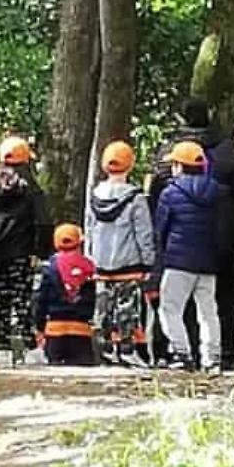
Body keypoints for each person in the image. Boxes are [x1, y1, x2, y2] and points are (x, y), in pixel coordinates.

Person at [149, 97, 234, 369]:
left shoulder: (168, 158)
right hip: (222, 246)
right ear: (210, 114)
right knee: (216, 306)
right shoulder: (230, 155)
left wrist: (161, 248)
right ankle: (222, 354)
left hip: (178, 250)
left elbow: (157, 211)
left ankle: (180, 353)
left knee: (174, 304)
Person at [154, 141, 222, 373]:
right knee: (208, 312)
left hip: (178, 262)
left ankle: (182, 353)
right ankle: (212, 358)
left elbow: (160, 229)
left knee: (170, 309)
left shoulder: (170, 193)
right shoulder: (218, 192)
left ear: (179, 166)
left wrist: (162, 256)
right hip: (208, 262)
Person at [86, 141, 155, 365]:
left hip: (101, 263)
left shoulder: (94, 196)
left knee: (103, 308)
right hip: (129, 264)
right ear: (130, 165)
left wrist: (91, 258)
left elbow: (88, 227)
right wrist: (148, 262)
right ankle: (127, 349)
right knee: (127, 309)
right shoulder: (135, 198)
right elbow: (143, 233)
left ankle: (104, 350)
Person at [0, 136, 48, 358]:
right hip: (22, 253)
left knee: (0, 299)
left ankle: (2, 347)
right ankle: (31, 348)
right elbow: (42, 221)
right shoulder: (32, 188)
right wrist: (39, 251)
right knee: (22, 298)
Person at [34, 224, 97, 366]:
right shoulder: (88, 266)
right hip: (81, 331)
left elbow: (41, 300)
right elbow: (92, 299)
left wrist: (39, 326)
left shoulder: (49, 267)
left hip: (54, 330)